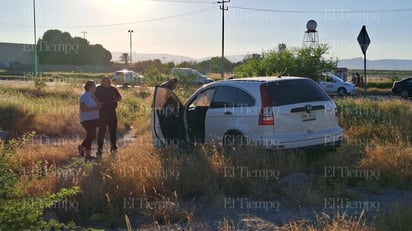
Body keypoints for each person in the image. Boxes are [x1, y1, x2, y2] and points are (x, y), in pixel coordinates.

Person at [95, 76, 122, 156]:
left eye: (109, 82)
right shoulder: (98, 89)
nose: (107, 83)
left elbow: (120, 97)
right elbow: (93, 97)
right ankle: (100, 149)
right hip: (102, 113)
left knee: (113, 130)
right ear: (102, 82)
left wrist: (114, 100)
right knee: (101, 132)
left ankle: (113, 146)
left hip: (112, 113)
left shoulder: (113, 89)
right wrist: (99, 102)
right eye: (106, 82)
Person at [78, 80, 101, 161]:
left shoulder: (93, 96)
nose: (95, 88)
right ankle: (84, 150)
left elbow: (99, 105)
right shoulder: (84, 96)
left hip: (94, 118)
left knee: (91, 136)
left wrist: (96, 100)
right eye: (94, 86)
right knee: (91, 135)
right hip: (86, 119)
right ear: (89, 87)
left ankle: (86, 154)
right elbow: (83, 108)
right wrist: (94, 108)